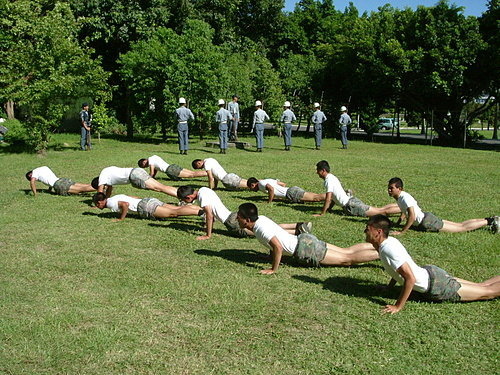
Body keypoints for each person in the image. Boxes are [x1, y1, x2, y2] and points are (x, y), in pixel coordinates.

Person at [365, 214, 500, 314]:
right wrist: (389, 288)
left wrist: (398, 306)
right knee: (482, 286)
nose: (365, 232)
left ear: (378, 232)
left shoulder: (387, 249)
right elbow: (396, 270)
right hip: (431, 274)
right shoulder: (388, 243)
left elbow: (410, 278)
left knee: (487, 292)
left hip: (436, 285)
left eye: (368, 229)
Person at [237, 203, 379, 274]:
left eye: (239, 217)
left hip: (305, 249)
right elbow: (276, 236)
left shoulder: (259, 229)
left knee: (347, 259)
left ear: (247, 219)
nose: (237, 219)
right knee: (346, 251)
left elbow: (277, 246)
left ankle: (380, 254)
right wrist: (271, 256)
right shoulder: (261, 219)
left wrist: (273, 269)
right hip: (304, 240)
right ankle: (379, 248)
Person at [177, 186, 313, 240]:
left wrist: (208, 234)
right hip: (233, 214)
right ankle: (297, 225)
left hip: (231, 223)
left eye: (185, 200)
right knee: (264, 225)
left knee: (261, 232)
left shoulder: (202, 198)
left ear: (188, 197)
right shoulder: (204, 190)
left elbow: (210, 216)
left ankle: (296, 232)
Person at [387, 177, 499, 234]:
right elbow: (404, 211)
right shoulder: (400, 197)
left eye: (392, 188)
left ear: (399, 189)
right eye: (389, 187)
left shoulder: (404, 198)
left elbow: (411, 215)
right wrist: (398, 222)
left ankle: (489, 221)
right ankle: (490, 219)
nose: (389, 190)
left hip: (427, 222)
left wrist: (402, 231)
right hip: (427, 218)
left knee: (460, 228)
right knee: (459, 224)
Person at [315, 160, 400, 218]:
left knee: (381, 212)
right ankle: (402, 206)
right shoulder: (332, 177)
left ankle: (404, 208)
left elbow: (328, 198)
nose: (317, 172)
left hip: (351, 206)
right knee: (380, 209)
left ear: (323, 170)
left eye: (318, 170)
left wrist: (322, 213)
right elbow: (334, 197)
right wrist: (329, 209)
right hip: (352, 201)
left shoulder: (328, 181)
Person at [92, 192, 202, 222]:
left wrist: (121, 218)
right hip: (147, 200)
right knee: (175, 209)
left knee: (173, 213)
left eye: (97, 204)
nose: (98, 206)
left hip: (145, 206)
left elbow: (125, 205)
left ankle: (200, 213)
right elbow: (131, 197)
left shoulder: (110, 204)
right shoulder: (115, 197)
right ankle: (201, 210)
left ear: (101, 202)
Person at [91, 166, 177, 198]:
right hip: (136, 171)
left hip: (134, 176)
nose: (105, 187)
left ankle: (183, 196)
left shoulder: (102, 177)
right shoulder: (107, 172)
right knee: (161, 187)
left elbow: (100, 193)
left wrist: (97, 202)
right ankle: (181, 194)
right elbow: (109, 190)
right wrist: (107, 199)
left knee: (161, 188)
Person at [246, 177, 325, 204]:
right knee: (315, 197)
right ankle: (330, 198)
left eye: (251, 188)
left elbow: (271, 189)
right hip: (291, 190)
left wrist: (269, 201)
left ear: (253, 184)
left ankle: (331, 197)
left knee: (315, 198)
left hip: (291, 193)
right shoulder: (266, 181)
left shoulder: (261, 184)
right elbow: (283, 184)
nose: (252, 190)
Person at [26, 166, 96, 196]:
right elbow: (48, 177)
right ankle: (101, 186)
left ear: (30, 175)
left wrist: (35, 194)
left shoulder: (34, 173)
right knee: (84, 185)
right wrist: (49, 189)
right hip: (61, 179)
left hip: (59, 185)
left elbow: (32, 182)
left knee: (81, 190)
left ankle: (101, 189)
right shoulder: (42, 168)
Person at [137, 155, 207, 181]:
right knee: (192, 173)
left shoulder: (150, 161)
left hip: (171, 170)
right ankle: (209, 173)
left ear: (144, 162)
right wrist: (154, 177)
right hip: (172, 166)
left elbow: (152, 172)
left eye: (145, 166)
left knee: (192, 175)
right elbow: (155, 170)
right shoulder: (154, 157)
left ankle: (209, 174)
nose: (147, 167)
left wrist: (148, 179)